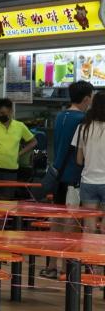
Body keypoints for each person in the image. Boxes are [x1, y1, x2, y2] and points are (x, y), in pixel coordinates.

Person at [49, 81, 94, 204]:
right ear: (86, 99)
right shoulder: (83, 119)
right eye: (91, 97)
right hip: (75, 176)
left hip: (58, 174)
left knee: (59, 216)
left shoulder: (59, 116)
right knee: (72, 219)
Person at [75, 91, 105, 237]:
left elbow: (79, 160)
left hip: (88, 181)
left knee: (89, 227)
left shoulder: (83, 128)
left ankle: (88, 259)